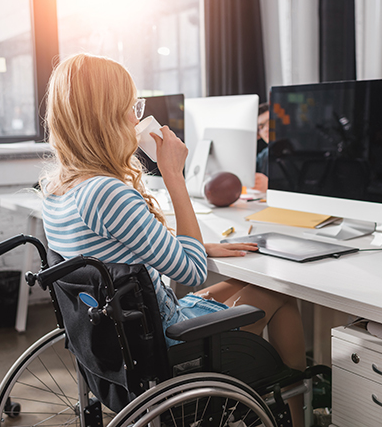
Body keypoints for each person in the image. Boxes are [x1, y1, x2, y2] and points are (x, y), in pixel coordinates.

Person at [40, 54, 306, 426]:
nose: (136, 118)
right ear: (107, 117)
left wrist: (195, 244)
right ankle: (299, 410)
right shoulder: (106, 193)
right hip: (166, 345)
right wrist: (173, 174)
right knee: (280, 294)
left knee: (245, 282)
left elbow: (120, 251)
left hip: (117, 345)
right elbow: (193, 272)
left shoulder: (57, 190)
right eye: (130, 107)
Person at [254, 102, 269, 193]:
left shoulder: (299, 151)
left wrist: (270, 186)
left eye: (269, 122)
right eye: (261, 127)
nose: (265, 129)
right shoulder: (264, 155)